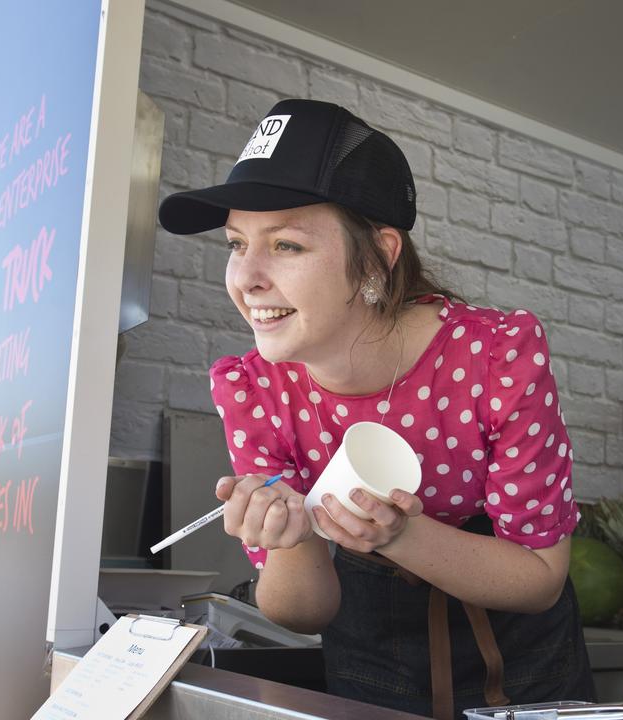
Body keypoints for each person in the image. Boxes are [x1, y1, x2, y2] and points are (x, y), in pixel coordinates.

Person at [158, 98, 594, 719]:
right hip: (369, 661)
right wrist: (287, 538)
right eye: (235, 243)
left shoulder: (496, 356)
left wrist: (400, 534)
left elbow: (539, 578)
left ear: (379, 255)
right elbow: (302, 612)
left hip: (520, 662)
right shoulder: (253, 390)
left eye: (285, 245)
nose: (246, 278)